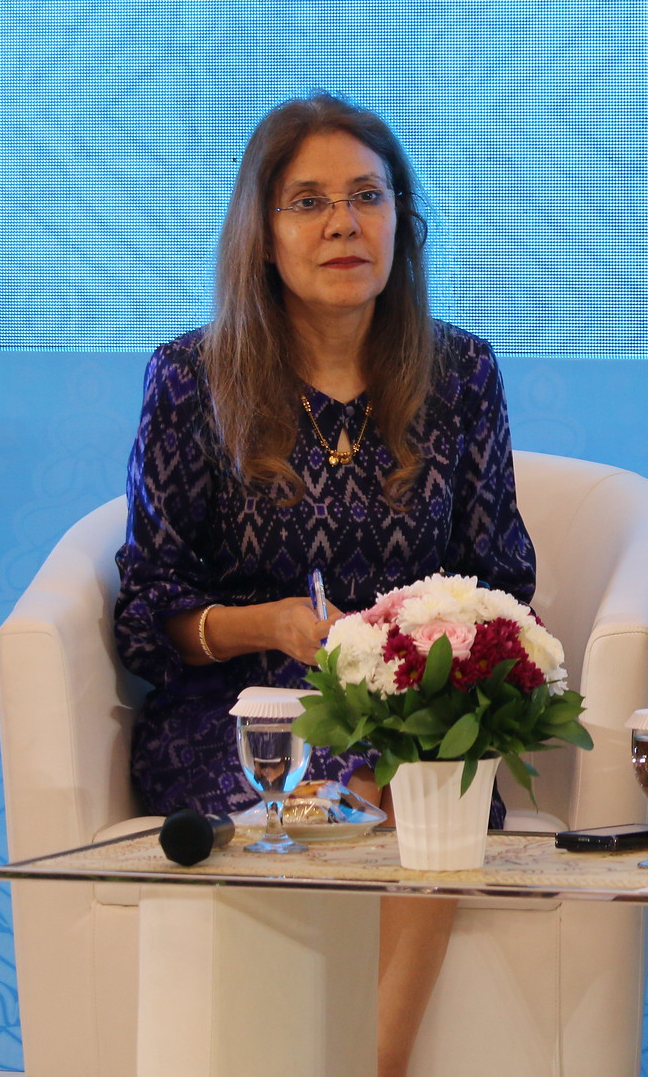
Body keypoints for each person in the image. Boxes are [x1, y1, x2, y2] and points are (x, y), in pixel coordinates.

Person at [112, 91, 535, 1077]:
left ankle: (371, 1063)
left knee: (418, 787)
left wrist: (421, 657)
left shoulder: (461, 374)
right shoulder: (192, 378)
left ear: (401, 222)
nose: (344, 223)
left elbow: (502, 580)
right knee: (322, 791)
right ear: (262, 236)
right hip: (239, 708)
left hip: (404, 708)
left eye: (367, 196)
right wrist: (269, 625)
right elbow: (148, 606)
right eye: (308, 202)